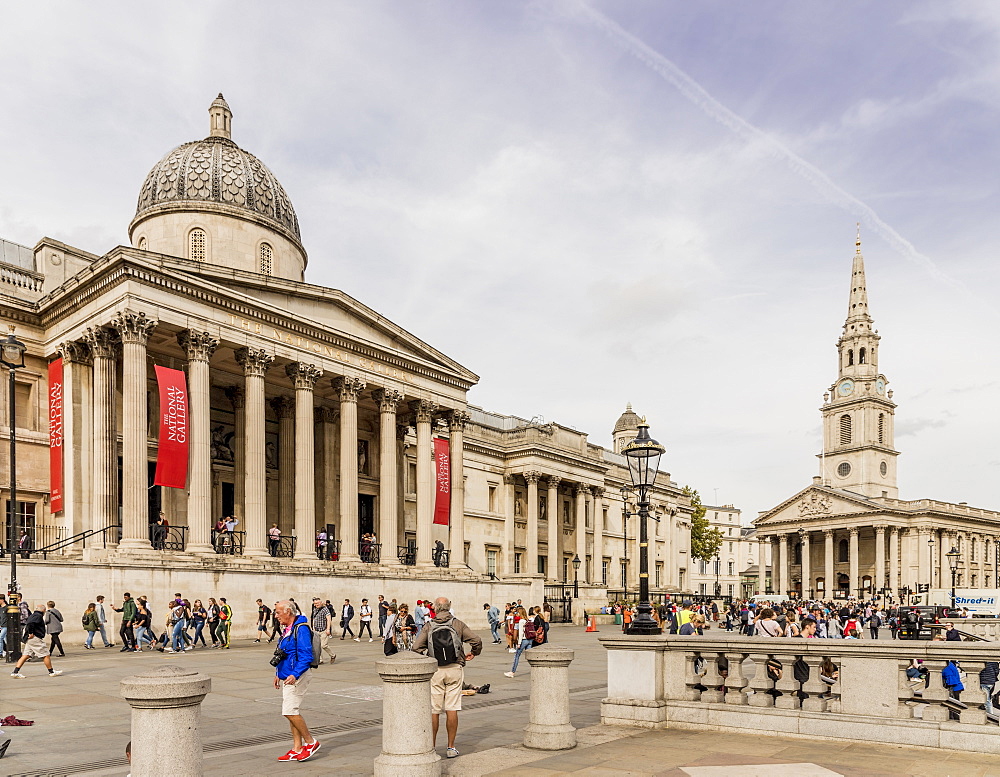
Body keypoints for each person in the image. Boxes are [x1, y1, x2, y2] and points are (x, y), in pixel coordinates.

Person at [412, 596, 483, 759]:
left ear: (435, 608)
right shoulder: (458, 624)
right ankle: (451, 747)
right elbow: (476, 640)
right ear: (449, 607)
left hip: (436, 670)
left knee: (434, 710)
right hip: (455, 668)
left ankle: (432, 747)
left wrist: (427, 658)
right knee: (452, 708)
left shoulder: (429, 625)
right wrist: (473, 653)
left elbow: (416, 648)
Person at [271, 600, 320, 762]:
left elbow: (306, 656)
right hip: (288, 675)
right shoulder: (288, 629)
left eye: (278, 612)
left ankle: (311, 742)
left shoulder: (301, 629)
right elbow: (284, 653)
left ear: (288, 612)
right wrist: (279, 672)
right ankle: (296, 748)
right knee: (292, 711)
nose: (276, 615)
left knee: (289, 711)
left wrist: (295, 674)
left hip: (298, 676)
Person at [10, 604, 62, 678]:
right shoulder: (38, 616)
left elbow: (29, 623)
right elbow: (30, 624)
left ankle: (15, 672)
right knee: (46, 654)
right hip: (35, 638)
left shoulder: (34, 615)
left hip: (30, 639)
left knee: (26, 655)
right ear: (43, 610)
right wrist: (31, 633)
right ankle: (51, 672)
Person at [504, 607, 536, 677]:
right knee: (529, 656)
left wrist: (519, 643)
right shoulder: (528, 620)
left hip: (524, 640)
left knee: (517, 656)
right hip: (530, 640)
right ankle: (536, 668)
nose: (516, 614)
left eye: (517, 612)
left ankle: (512, 672)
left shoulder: (521, 621)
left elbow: (521, 633)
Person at [310, 597, 336, 664]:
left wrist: (328, 629)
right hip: (316, 630)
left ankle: (333, 655)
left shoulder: (325, 609)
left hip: (323, 630)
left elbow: (328, 619)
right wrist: (313, 628)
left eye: (317, 603)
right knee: (317, 646)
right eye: (315, 603)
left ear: (321, 603)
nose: (316, 605)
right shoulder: (315, 609)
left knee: (323, 645)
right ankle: (320, 660)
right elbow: (314, 619)